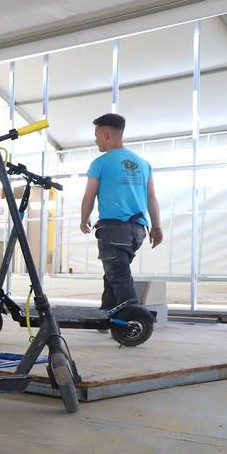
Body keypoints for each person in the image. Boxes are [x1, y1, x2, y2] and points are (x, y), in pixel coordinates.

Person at [80, 113, 163, 312]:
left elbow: (89, 196)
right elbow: (152, 198)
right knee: (114, 272)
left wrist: (84, 219)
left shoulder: (101, 163)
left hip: (113, 230)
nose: (96, 139)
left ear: (106, 134)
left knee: (119, 277)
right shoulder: (143, 164)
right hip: (138, 231)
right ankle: (105, 315)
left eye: (97, 135)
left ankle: (135, 321)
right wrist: (157, 227)